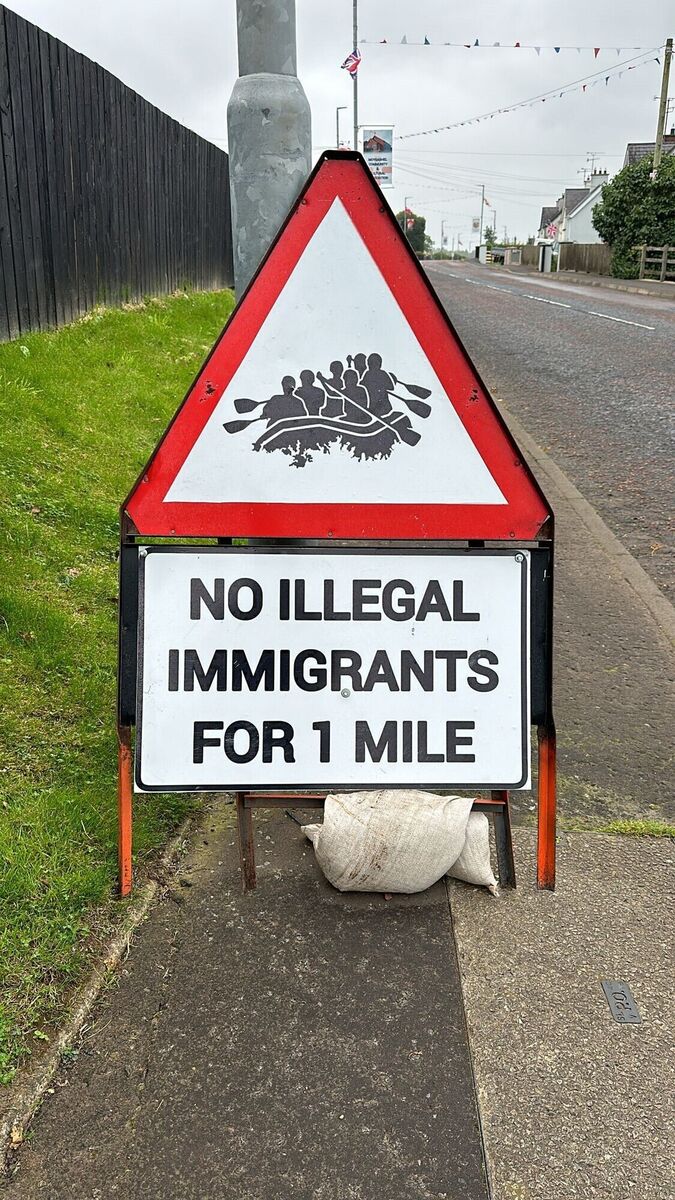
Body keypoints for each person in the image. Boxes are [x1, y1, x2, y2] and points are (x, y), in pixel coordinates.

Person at [361, 352, 397, 416]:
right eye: (370, 363)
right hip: (372, 404)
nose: (370, 365)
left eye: (373, 363)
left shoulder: (382, 373)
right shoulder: (368, 374)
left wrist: (382, 384)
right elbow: (362, 385)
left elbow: (391, 387)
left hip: (383, 404)